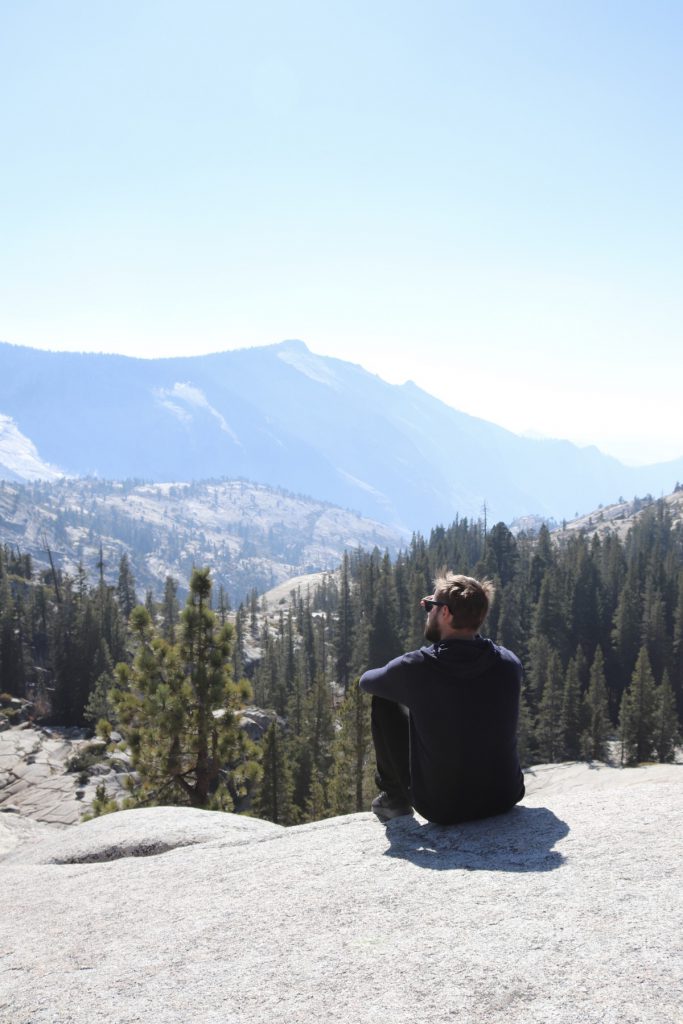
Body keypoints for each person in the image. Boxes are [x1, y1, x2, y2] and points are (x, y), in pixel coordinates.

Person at [359, 572, 525, 825]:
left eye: (429, 605)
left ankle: (395, 800)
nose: (427, 611)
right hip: (505, 797)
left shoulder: (416, 667)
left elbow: (367, 681)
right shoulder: (509, 662)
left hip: (443, 808)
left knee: (384, 698)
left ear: (445, 612)